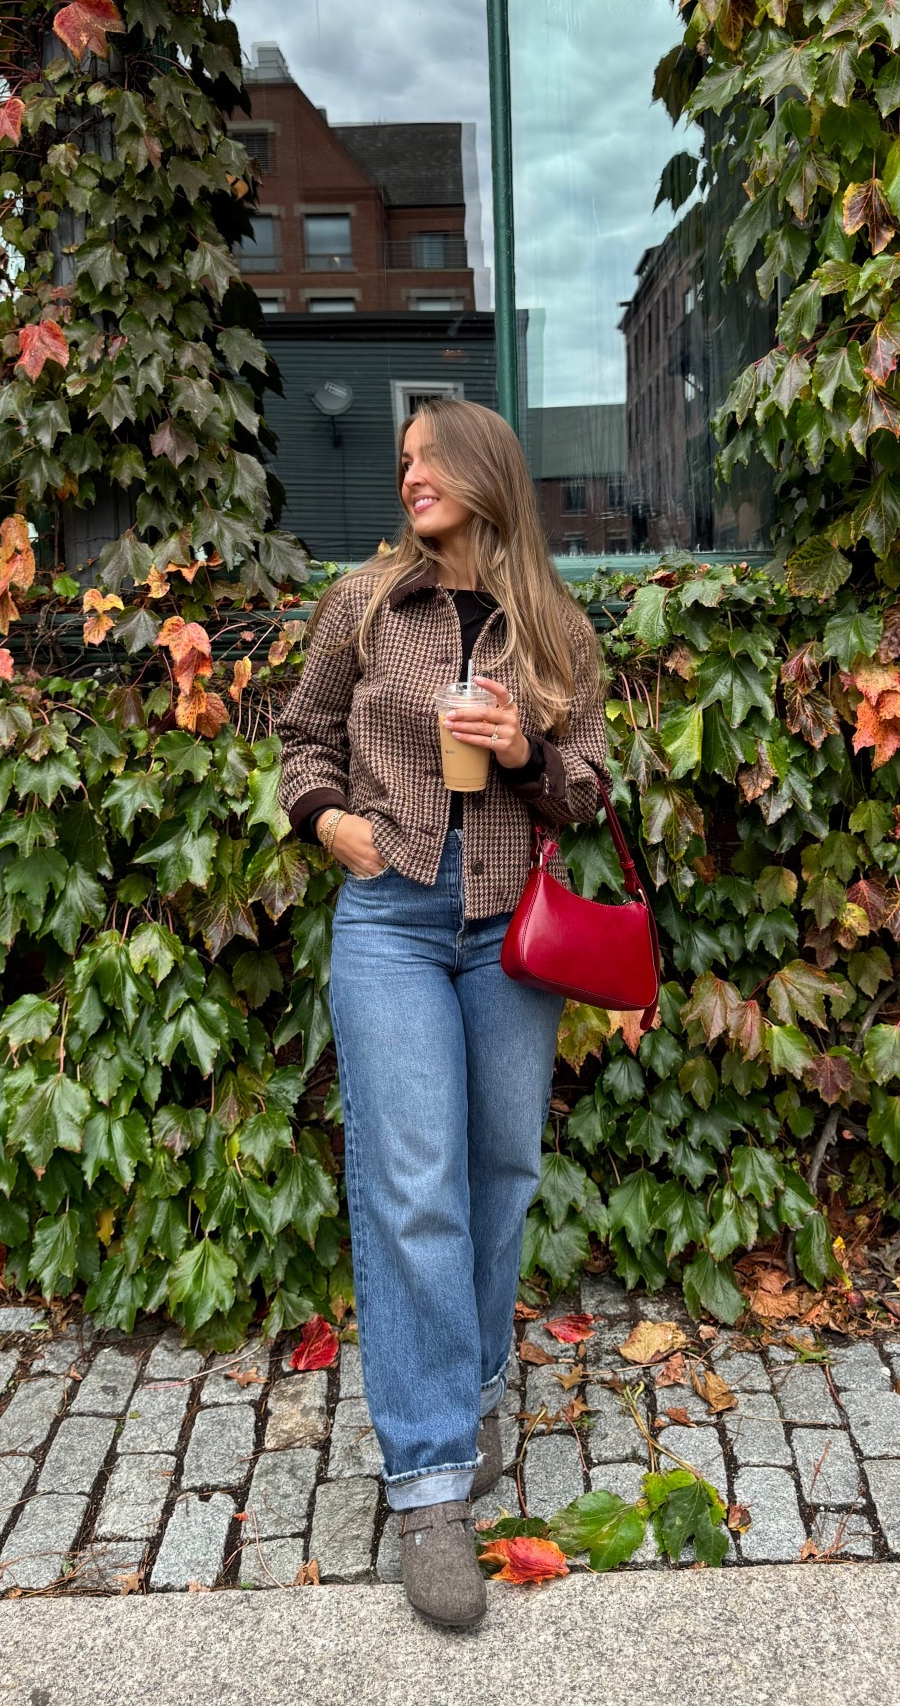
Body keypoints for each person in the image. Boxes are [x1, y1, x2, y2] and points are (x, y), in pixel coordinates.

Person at [278, 398, 607, 1629]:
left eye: (429, 457)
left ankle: (468, 1385)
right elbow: (302, 736)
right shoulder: (365, 604)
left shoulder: (554, 624)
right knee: (413, 1179)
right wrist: (329, 820)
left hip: (511, 926)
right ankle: (428, 1481)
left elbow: (591, 787)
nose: (409, 473)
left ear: (485, 470)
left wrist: (524, 750)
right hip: (392, 915)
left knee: (502, 1166)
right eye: (404, 459)